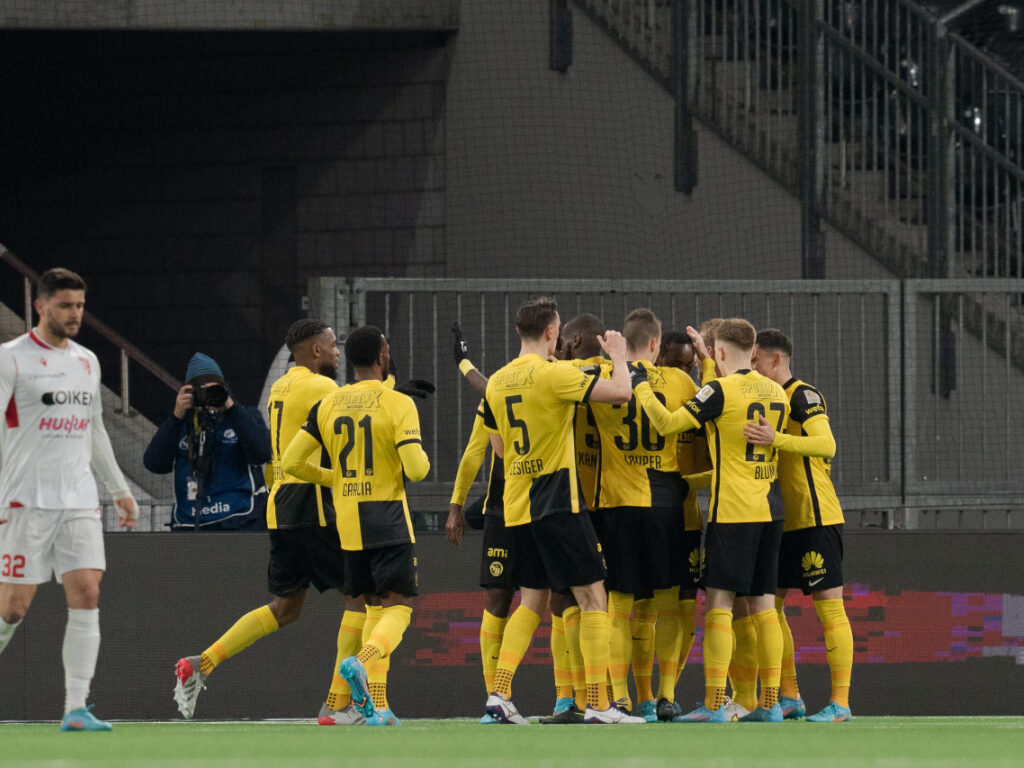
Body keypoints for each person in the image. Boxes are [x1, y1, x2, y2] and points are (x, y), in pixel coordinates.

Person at [172, 319, 372, 725]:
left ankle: (200, 664)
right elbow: (353, 423)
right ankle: (337, 706)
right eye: (333, 345)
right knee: (360, 598)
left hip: (280, 506)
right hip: (311, 502)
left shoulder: (282, 386)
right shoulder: (321, 387)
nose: (338, 352)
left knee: (284, 608)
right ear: (315, 350)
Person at [479, 296, 644, 725]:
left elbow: (499, 448)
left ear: (519, 331)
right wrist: (619, 355)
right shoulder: (554, 375)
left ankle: (499, 695)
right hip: (556, 501)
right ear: (552, 331)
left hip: (517, 506)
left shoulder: (497, 382)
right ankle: (599, 704)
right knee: (593, 597)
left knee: (531, 601)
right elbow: (622, 392)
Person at [0, 267, 139, 731]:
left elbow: (95, 428)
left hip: (79, 500)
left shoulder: (87, 361)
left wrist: (119, 490)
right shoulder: (11, 359)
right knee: (12, 609)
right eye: (65, 305)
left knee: (88, 593)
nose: (75, 313)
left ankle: (75, 708)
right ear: (40, 306)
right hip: (24, 500)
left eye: (79, 305)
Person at [632, 318, 790, 723]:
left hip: (733, 512)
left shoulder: (719, 391)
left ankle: (716, 704)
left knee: (719, 604)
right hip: (771, 510)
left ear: (718, 352)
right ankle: (771, 703)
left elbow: (668, 424)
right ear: (752, 350)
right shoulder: (777, 392)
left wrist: (642, 388)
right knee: (765, 607)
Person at [282, 326, 430, 723]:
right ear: (382, 357)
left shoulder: (328, 403)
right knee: (399, 607)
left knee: (363, 608)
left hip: (348, 522)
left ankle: (366, 705)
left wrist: (335, 479)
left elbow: (292, 462)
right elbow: (417, 469)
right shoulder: (398, 403)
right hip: (388, 518)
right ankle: (362, 663)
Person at [587, 309, 695, 722]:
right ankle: (665, 695)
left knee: (618, 606)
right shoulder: (679, 381)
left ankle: (620, 698)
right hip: (667, 503)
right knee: (667, 604)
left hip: (618, 503)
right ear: (654, 344)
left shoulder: (602, 375)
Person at [745, 328, 853, 722]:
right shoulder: (766, 400)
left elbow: (827, 445)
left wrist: (777, 439)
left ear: (775, 360)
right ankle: (789, 695)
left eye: (755, 360)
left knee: (830, 609)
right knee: (769, 608)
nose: (751, 366)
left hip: (815, 516)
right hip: (779, 519)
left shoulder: (802, 395)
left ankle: (840, 703)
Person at [143, 353, 271, 530]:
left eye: (215, 389)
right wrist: (176, 417)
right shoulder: (180, 425)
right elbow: (154, 464)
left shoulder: (243, 416)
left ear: (225, 388)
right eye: (202, 391)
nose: (210, 396)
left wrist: (232, 407)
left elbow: (263, 453)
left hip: (241, 522)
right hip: (190, 525)